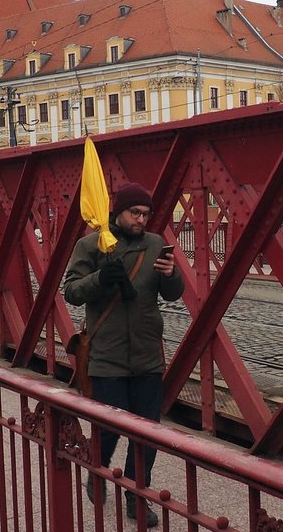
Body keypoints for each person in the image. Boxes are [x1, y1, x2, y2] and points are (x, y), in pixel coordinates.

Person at [62, 182, 184, 528]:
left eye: (146, 214)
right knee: (109, 430)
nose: (141, 220)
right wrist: (101, 278)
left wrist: (171, 275)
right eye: (135, 213)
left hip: (147, 355)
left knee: (148, 434)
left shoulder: (156, 244)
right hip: (107, 356)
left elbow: (173, 294)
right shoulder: (90, 244)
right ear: (118, 212)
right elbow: (71, 291)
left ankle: (136, 496)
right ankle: (96, 473)